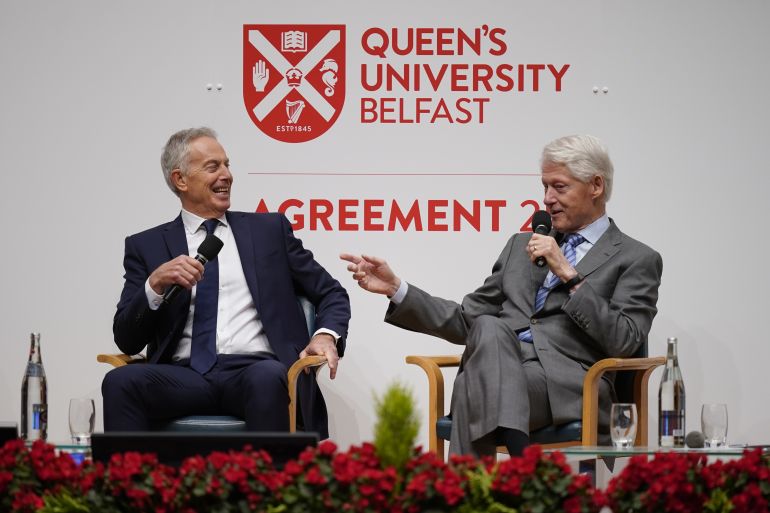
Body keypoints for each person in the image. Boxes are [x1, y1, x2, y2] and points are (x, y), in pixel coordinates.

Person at [341, 135, 662, 457]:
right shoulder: (519, 246)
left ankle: (471, 494)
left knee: (474, 385)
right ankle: (521, 469)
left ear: (595, 186)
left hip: (565, 385)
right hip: (499, 366)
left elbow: (624, 340)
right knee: (488, 328)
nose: (548, 199)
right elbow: (467, 320)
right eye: (545, 187)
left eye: (559, 187)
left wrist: (569, 274)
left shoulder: (635, 258)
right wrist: (396, 289)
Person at [102, 127, 350, 438]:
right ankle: (132, 486)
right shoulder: (146, 246)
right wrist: (154, 284)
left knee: (268, 376)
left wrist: (325, 336)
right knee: (120, 382)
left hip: (254, 371)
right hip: (183, 377)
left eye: (227, 164)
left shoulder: (269, 231)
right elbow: (127, 339)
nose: (227, 175)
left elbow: (331, 292)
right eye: (213, 166)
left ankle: (267, 486)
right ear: (180, 180)